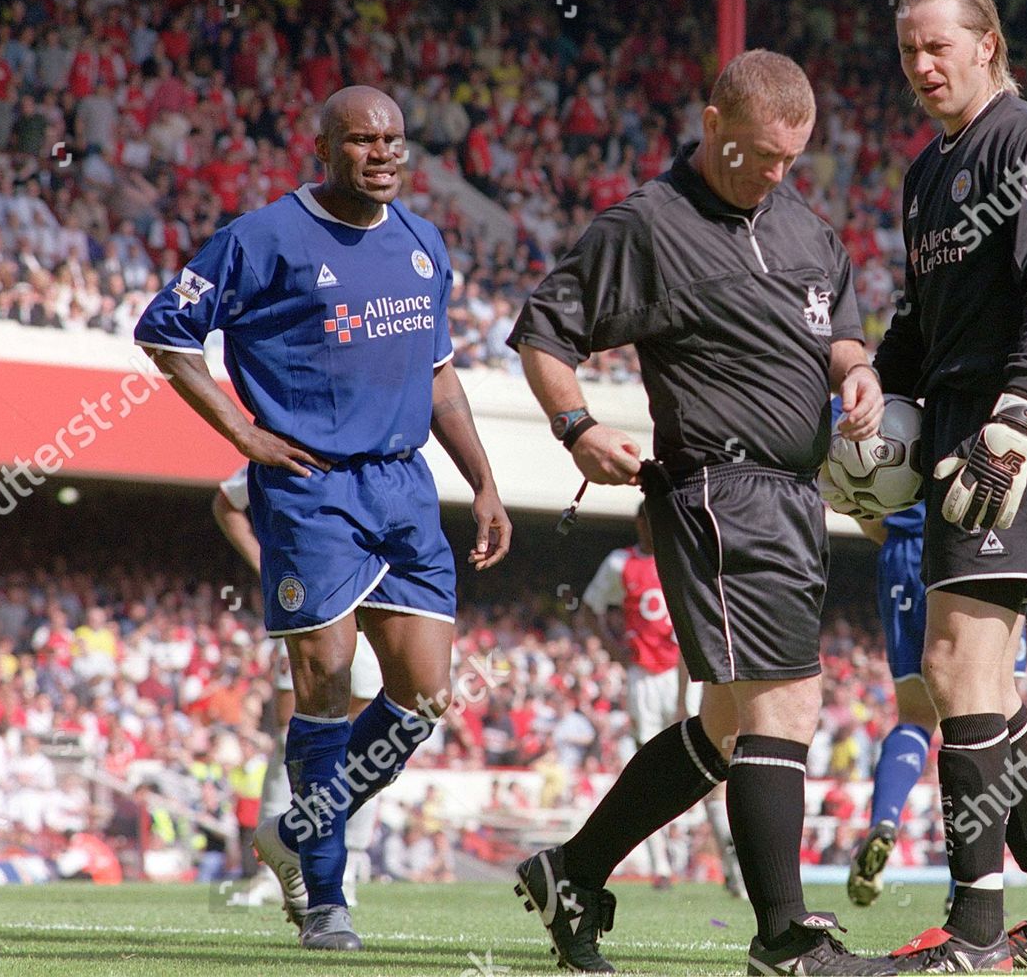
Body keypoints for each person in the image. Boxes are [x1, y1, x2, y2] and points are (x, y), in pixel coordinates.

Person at [507, 49, 895, 976]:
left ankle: (572, 872)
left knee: (728, 727)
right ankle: (784, 942)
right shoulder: (647, 225)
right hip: (721, 493)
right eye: (760, 154)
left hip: (798, 498)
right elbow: (544, 333)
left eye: (791, 160)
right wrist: (576, 427)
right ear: (714, 121)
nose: (775, 174)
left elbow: (839, 327)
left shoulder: (803, 223)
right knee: (785, 703)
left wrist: (859, 372)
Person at [133, 85, 511, 951]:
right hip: (312, 490)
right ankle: (327, 898)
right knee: (328, 684)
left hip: (405, 488)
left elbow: (440, 377)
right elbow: (166, 330)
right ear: (323, 149)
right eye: (362, 141)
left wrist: (483, 481)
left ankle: (299, 831)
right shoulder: (261, 237)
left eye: (394, 141)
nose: (382, 154)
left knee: (421, 698)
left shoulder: (423, 241)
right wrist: (242, 430)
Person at [870, 0, 1027, 970]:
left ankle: (971, 928)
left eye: (938, 48)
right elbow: (919, 326)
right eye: (910, 52)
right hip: (954, 420)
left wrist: (1014, 414)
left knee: (957, 663)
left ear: (988, 44)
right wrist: (868, 410)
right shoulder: (928, 175)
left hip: (1017, 422)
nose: (923, 67)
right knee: (987, 688)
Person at [212, 463, 384, 911]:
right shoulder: (287, 440)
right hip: (309, 605)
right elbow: (228, 503)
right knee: (293, 736)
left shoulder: (387, 441)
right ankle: (276, 867)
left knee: (361, 742)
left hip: (372, 616)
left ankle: (346, 865)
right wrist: (266, 565)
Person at [845, 502, 1027, 911]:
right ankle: (968, 880)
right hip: (985, 551)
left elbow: (865, 508)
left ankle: (885, 820)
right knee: (992, 720)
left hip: (907, 553)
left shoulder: (879, 432)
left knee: (914, 717)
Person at [580, 502, 743, 896]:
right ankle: (662, 867)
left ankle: (732, 866)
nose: (655, 528)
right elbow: (589, 609)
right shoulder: (622, 562)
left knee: (709, 763)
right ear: (639, 522)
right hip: (644, 678)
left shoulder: (687, 560)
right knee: (646, 766)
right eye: (650, 520)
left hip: (686, 671)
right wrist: (614, 648)